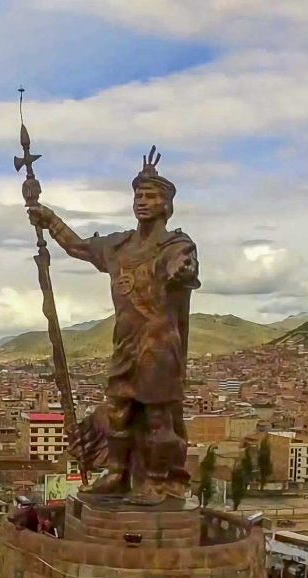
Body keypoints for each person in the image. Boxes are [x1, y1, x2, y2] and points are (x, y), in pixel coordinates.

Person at [28, 147, 199, 504]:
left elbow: (182, 267)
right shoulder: (118, 247)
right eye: (138, 195)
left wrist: (180, 272)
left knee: (156, 418)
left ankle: (155, 480)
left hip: (158, 347)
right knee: (118, 412)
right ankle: (117, 472)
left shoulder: (175, 245)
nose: (142, 201)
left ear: (166, 205)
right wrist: (50, 219)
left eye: (150, 196)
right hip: (126, 345)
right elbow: (77, 247)